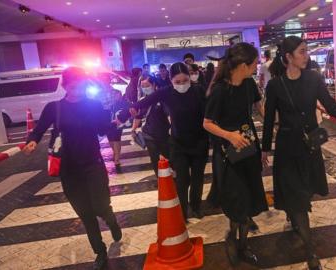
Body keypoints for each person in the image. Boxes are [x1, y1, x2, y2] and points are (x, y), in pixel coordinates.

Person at [262, 36, 336, 270]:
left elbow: (329, 105)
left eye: (306, 51)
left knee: (305, 192)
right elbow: (269, 120)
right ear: (288, 57)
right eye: (302, 51)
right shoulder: (276, 85)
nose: (306, 55)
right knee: (298, 200)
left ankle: (294, 212)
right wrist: (265, 149)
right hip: (287, 148)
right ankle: (310, 251)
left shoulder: (313, 79)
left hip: (309, 147)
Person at [22, 67, 122, 270]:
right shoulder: (54, 108)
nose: (79, 87)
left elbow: (104, 129)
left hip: (93, 164)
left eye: (82, 83)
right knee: (85, 213)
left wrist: (117, 117)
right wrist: (32, 141)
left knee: (100, 205)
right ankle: (100, 252)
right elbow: (38, 129)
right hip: (68, 169)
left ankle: (110, 218)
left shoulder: (93, 105)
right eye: (74, 84)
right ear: (65, 85)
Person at [203, 42, 268, 266]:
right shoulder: (220, 90)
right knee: (237, 199)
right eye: (254, 64)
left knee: (248, 199)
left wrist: (270, 130)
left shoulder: (249, 85)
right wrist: (229, 135)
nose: (255, 67)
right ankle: (237, 243)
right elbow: (207, 124)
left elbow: (260, 109)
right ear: (242, 65)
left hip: (249, 149)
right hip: (228, 154)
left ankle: (241, 241)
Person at [131, 62, 208, 221]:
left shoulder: (198, 90)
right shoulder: (166, 92)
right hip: (178, 143)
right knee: (182, 180)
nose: (182, 85)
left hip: (199, 141)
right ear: (171, 81)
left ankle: (196, 206)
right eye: (177, 82)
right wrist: (129, 110)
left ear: (189, 78)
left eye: (185, 80)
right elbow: (146, 101)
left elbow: (210, 111)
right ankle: (182, 211)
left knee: (197, 178)